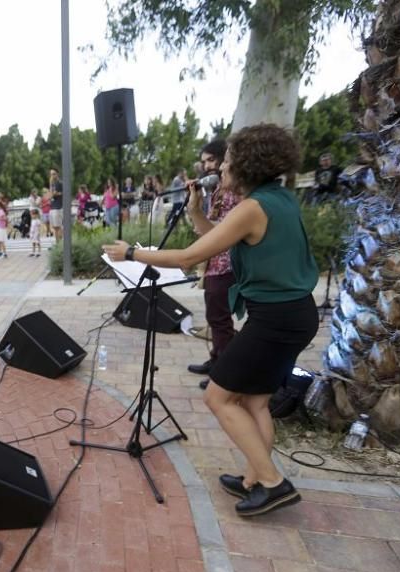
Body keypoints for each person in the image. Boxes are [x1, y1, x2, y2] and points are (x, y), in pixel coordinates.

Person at [103, 124, 318, 517]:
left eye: (228, 162)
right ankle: (257, 476)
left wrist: (132, 253)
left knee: (217, 396)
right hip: (294, 315)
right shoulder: (276, 199)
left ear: (247, 166)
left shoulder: (253, 208)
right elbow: (217, 240)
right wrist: (198, 212)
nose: (221, 170)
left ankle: (273, 483)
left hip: (275, 320)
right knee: (254, 402)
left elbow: (189, 258)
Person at [185, 138, 242, 389]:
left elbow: (221, 232)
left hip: (227, 263)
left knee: (220, 320)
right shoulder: (217, 189)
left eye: (212, 160)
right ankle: (216, 359)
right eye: (203, 162)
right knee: (213, 315)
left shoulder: (233, 190)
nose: (208, 166)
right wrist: (194, 207)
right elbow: (206, 229)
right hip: (214, 261)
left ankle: (224, 372)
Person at [48, 169, 63, 237]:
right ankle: (57, 244)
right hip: (53, 207)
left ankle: (60, 244)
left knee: (58, 227)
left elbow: (51, 195)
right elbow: (51, 195)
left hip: (58, 207)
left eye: (54, 174)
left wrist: (53, 193)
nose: (52, 176)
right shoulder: (53, 184)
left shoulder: (58, 183)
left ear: (57, 174)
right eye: (51, 174)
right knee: (55, 227)